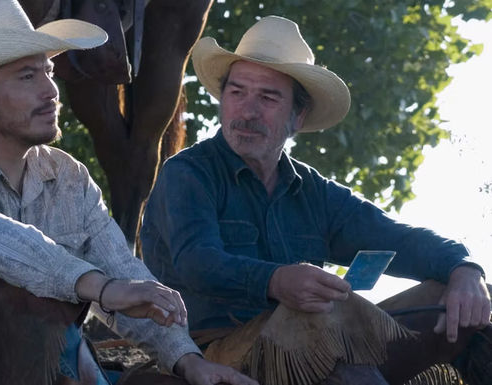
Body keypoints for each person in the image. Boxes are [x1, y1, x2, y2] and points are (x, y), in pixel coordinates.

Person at [0, 1, 258, 384]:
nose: (51, 90)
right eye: (27, 77)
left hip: (49, 368)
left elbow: (124, 270)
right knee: (15, 302)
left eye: (48, 72)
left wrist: (187, 359)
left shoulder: (68, 176)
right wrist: (101, 288)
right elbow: (3, 243)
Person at [140, 15, 491, 384]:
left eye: (268, 97)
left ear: (298, 116)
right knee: (322, 328)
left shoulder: (314, 191)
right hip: (213, 351)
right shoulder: (188, 173)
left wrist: (465, 269)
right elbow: (198, 261)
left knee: (449, 297)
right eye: (237, 92)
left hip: (313, 340)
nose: (247, 111)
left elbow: (397, 237)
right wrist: (275, 281)